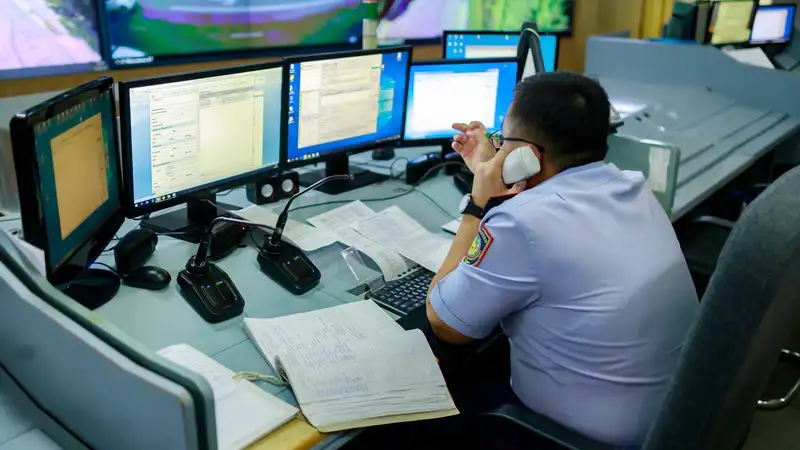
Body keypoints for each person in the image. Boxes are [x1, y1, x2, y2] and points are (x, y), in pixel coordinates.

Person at [426, 72, 699, 447]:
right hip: (672, 421)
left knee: (431, 404)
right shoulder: (634, 188)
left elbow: (445, 323)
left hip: (578, 440)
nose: (498, 148)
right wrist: (496, 169)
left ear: (528, 156)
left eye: (503, 140)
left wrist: (477, 206)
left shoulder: (521, 224)